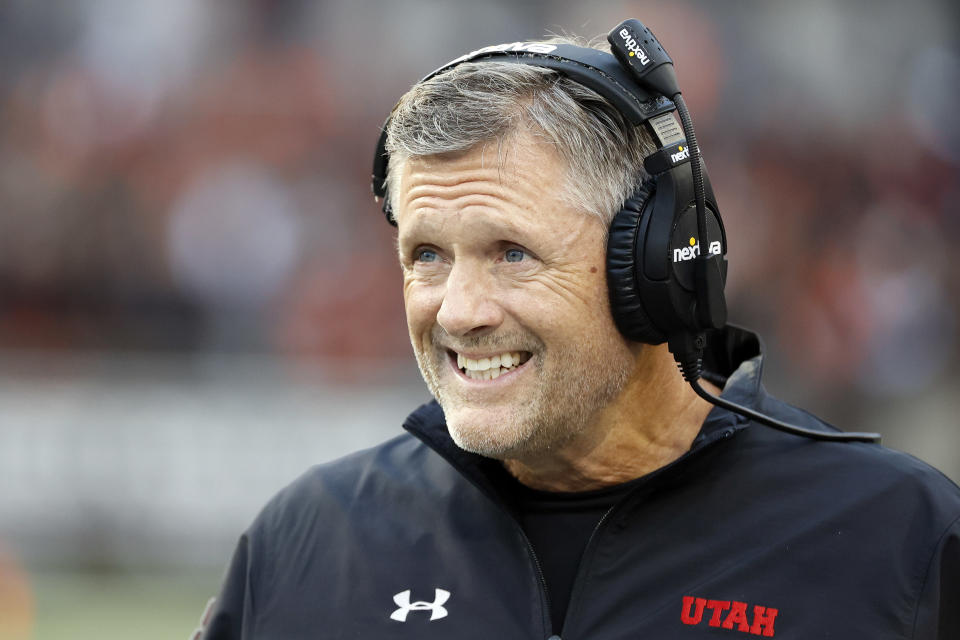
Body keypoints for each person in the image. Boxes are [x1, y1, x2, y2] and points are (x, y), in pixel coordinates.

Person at [196, 24, 960, 640]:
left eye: (511, 252)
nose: (460, 311)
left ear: (656, 265)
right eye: (426, 254)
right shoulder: (305, 543)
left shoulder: (903, 542)